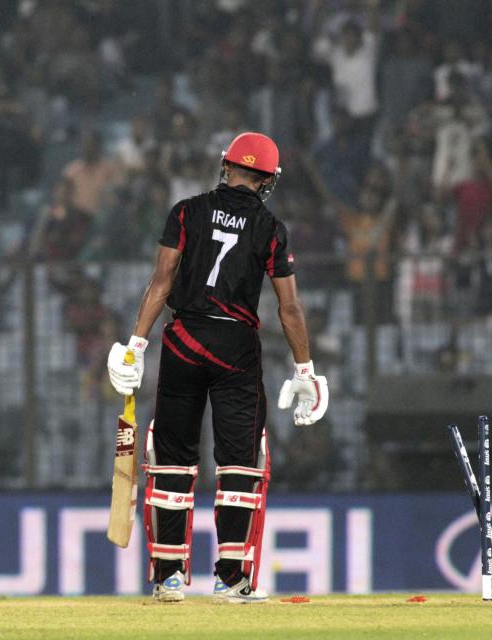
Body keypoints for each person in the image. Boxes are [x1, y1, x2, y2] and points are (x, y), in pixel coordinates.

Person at [107, 132, 328, 604]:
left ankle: (168, 578)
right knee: (240, 464)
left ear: (226, 166)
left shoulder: (186, 211)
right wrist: (305, 369)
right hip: (235, 348)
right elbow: (289, 309)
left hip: (183, 339)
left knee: (171, 461)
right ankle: (231, 580)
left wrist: (136, 343)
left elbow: (162, 280)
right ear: (268, 179)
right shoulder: (271, 228)